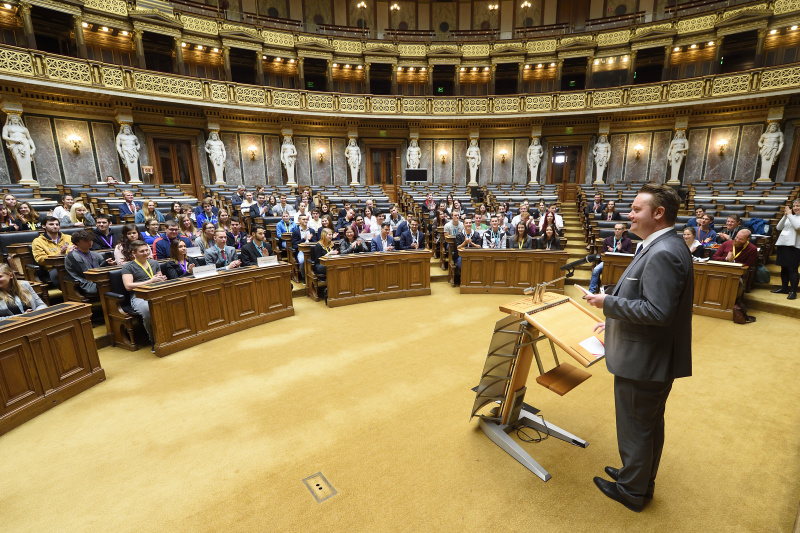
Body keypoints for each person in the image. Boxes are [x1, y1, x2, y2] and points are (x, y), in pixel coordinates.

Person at [584, 184, 693, 513]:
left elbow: (658, 313)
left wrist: (609, 304)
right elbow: (649, 303)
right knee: (647, 424)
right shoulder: (662, 244)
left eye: (635, 209)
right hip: (650, 355)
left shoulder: (663, 252)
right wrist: (615, 321)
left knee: (636, 426)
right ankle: (639, 478)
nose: (627, 215)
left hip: (645, 361)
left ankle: (631, 491)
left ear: (658, 213)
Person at [121, 241, 166, 351]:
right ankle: (154, 340)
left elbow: (158, 278)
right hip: (139, 296)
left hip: (156, 291)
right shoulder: (128, 266)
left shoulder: (154, 263)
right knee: (147, 310)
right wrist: (151, 281)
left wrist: (161, 279)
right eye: (142, 251)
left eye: (147, 250)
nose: (146, 253)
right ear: (134, 253)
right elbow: (128, 286)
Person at [64, 229, 116, 297]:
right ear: (76, 242)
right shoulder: (73, 256)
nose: (90, 242)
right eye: (86, 241)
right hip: (87, 284)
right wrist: (104, 264)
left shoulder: (95, 254)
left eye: (91, 240)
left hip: (99, 281)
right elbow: (86, 274)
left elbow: (103, 269)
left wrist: (109, 264)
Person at [588, 223, 634, 294]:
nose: (617, 231)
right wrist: (611, 251)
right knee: (596, 270)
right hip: (608, 262)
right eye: (615, 229)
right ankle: (591, 291)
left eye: (619, 229)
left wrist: (621, 249)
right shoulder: (608, 240)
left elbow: (630, 254)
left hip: (622, 263)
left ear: (623, 230)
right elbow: (603, 252)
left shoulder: (627, 241)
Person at [32, 216, 74, 286]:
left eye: (57, 224)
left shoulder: (68, 237)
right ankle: (69, 295)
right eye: (51, 224)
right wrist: (60, 254)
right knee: (59, 274)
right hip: (54, 268)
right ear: (43, 226)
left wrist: (66, 253)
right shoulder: (38, 241)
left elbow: (76, 250)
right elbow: (40, 259)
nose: (55, 226)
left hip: (71, 265)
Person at [772, 199, 800, 299]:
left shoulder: (793, 217)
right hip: (783, 244)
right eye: (794, 206)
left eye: (798, 206)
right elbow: (779, 227)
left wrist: (789, 215)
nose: (796, 208)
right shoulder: (790, 216)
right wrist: (785, 216)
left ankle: (793, 291)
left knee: (792, 269)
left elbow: (797, 226)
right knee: (783, 268)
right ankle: (784, 288)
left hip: (794, 246)